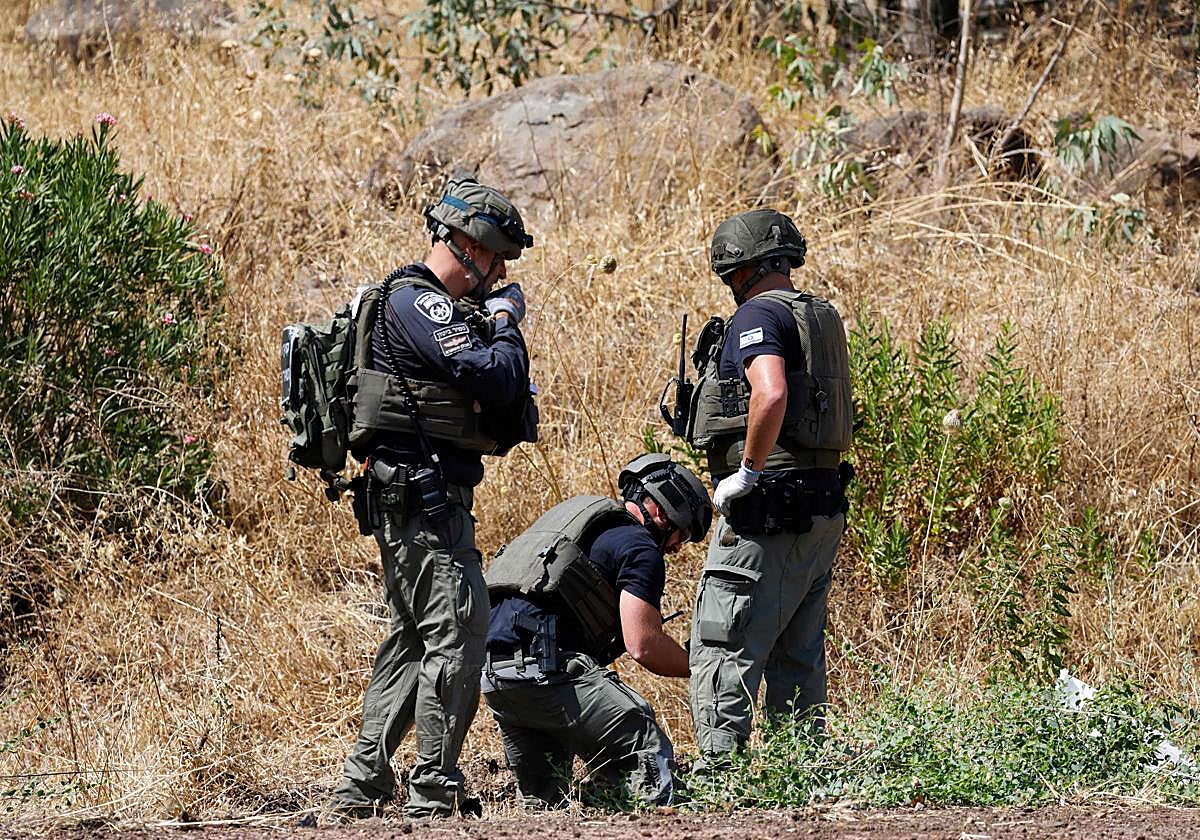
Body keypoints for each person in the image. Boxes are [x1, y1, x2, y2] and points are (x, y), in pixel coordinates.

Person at [330, 175, 536, 821]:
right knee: (459, 632)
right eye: (498, 256)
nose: (500, 271)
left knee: (415, 639)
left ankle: (359, 790)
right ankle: (432, 792)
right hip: (421, 497)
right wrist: (504, 322)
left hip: (419, 494)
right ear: (470, 247)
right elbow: (494, 377)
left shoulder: (418, 304)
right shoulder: (420, 303)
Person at [686, 209, 854, 773]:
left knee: (722, 635)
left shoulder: (757, 314)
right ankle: (799, 772)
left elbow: (772, 393)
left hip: (770, 506)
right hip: (821, 503)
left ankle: (720, 778)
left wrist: (748, 471)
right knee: (797, 646)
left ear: (741, 269)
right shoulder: (821, 316)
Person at [480, 454, 713, 808]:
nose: (678, 547)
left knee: (544, 805)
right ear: (667, 512)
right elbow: (643, 645)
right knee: (644, 745)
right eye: (683, 534)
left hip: (497, 679)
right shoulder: (639, 547)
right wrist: (702, 666)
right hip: (549, 674)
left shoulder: (581, 526)